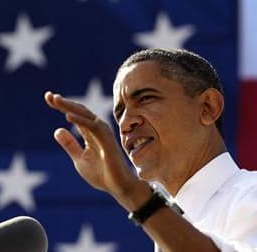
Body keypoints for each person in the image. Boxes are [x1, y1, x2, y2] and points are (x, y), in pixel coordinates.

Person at [44, 48, 257, 252]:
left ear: (208, 107)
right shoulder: (161, 225)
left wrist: (132, 193)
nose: (125, 123)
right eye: (119, 114)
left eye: (145, 98)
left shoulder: (250, 194)